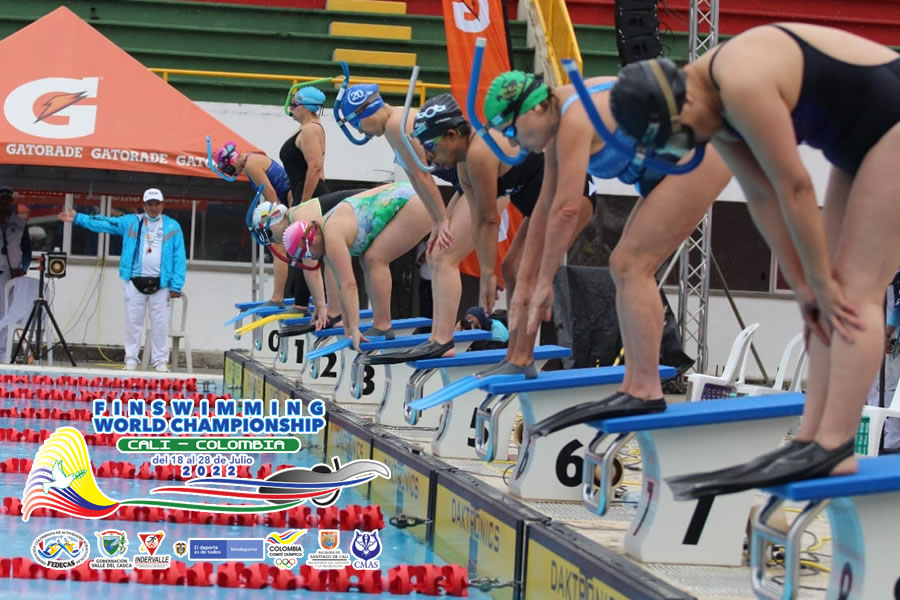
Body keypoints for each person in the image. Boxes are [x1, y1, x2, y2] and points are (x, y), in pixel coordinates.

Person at [609, 23, 900, 494]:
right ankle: (813, 436)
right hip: (861, 138)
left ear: (682, 104)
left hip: (892, 128)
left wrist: (819, 283)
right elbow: (763, 198)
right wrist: (806, 284)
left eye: (686, 136)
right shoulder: (713, 107)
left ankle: (836, 445)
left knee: (855, 291)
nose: (695, 145)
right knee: (826, 291)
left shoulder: (740, 80)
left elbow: (795, 187)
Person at [469, 70, 728, 407]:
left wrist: (545, 282)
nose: (515, 144)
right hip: (667, 166)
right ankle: (635, 385)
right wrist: (527, 280)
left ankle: (645, 390)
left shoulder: (574, 119)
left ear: (533, 110)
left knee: (630, 265)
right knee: (625, 265)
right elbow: (544, 207)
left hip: (701, 157)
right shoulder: (556, 117)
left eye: (512, 132)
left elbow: (566, 208)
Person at [280, 182, 431, 351]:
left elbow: (349, 285)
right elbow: (340, 285)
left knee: (374, 259)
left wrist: (354, 328)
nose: (314, 258)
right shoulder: (324, 229)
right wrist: (347, 326)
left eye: (309, 254)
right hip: (413, 196)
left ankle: (382, 325)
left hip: (416, 201)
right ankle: (382, 325)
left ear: (311, 239)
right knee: (370, 259)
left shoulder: (331, 234)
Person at [58, 188, 186, 371]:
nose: (153, 207)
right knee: (133, 322)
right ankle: (131, 359)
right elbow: (106, 223)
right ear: (143, 205)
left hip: (162, 283)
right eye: (149, 204)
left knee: (160, 324)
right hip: (134, 280)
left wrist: (177, 284)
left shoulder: (173, 226)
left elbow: (179, 257)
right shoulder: (131, 222)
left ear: (163, 205)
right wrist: (78, 218)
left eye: (157, 204)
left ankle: (160, 361)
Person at [249, 188, 366, 329]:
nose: (272, 239)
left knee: (335, 260)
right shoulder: (295, 216)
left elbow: (312, 269)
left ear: (276, 220)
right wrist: (318, 305)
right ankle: (334, 314)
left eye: (268, 233)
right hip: (358, 204)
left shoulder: (299, 221)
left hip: (365, 204)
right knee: (331, 258)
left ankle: (335, 314)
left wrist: (322, 307)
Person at [215, 141, 293, 307]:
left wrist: (274, 219)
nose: (231, 174)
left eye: (228, 170)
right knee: (292, 249)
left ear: (232, 161)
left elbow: (271, 194)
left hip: (292, 200)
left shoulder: (250, 165)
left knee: (279, 247)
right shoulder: (252, 161)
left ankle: (278, 297)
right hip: (290, 199)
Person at [280, 86, 329, 312]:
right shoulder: (307, 129)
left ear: (308, 107)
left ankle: (303, 304)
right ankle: (301, 301)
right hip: (305, 193)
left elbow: (315, 167)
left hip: (312, 195)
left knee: (304, 248)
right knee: (301, 248)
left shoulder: (310, 130)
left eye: (295, 104)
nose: (291, 108)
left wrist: (306, 202)